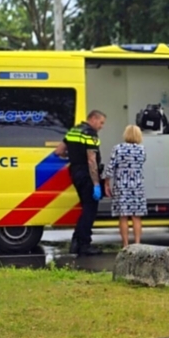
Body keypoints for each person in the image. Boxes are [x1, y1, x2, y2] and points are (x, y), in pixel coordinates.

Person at [54, 109, 106, 256]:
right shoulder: (90, 133)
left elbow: (59, 151)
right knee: (90, 210)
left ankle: (76, 241)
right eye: (101, 123)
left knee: (85, 208)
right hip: (87, 173)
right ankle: (83, 244)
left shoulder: (73, 131)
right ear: (94, 119)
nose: (101, 126)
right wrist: (96, 183)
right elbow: (91, 160)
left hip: (74, 171)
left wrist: (73, 156)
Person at [104, 125, 147, 248]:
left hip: (121, 186)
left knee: (123, 216)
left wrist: (107, 182)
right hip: (137, 186)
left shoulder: (117, 149)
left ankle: (125, 245)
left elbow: (110, 167)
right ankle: (138, 244)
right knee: (136, 217)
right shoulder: (142, 150)